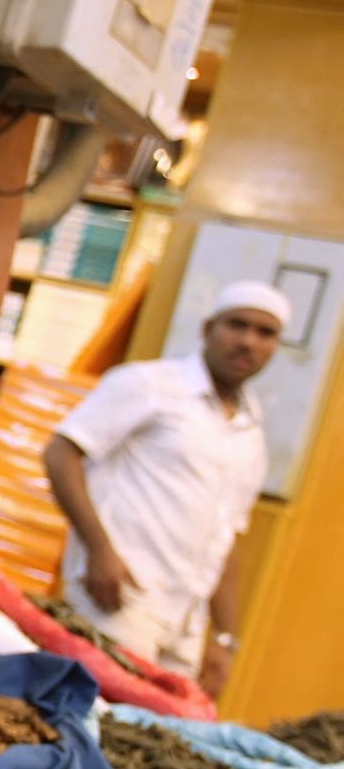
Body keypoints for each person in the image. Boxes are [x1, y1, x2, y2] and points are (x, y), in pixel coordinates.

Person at [43, 280, 287, 696]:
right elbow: (61, 454)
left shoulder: (251, 430)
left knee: (144, 743)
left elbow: (228, 538)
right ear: (208, 328)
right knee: (86, 719)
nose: (248, 341)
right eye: (237, 325)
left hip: (185, 623)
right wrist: (99, 550)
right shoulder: (151, 384)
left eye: (265, 333)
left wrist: (224, 638)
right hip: (121, 597)